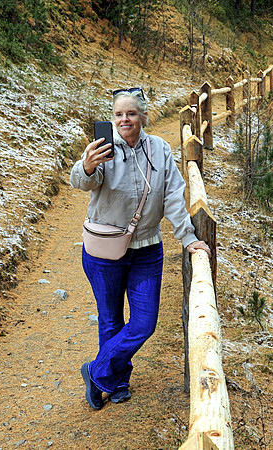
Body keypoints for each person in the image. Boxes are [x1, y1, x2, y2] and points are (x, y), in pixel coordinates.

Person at [70, 87, 210, 410]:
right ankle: (117, 383)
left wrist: (187, 238)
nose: (124, 120)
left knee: (144, 323)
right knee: (110, 321)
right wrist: (87, 166)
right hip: (104, 254)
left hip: (147, 250)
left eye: (131, 113)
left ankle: (96, 372)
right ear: (112, 118)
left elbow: (174, 197)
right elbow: (82, 181)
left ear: (144, 117)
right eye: (118, 114)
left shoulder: (159, 150)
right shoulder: (103, 150)